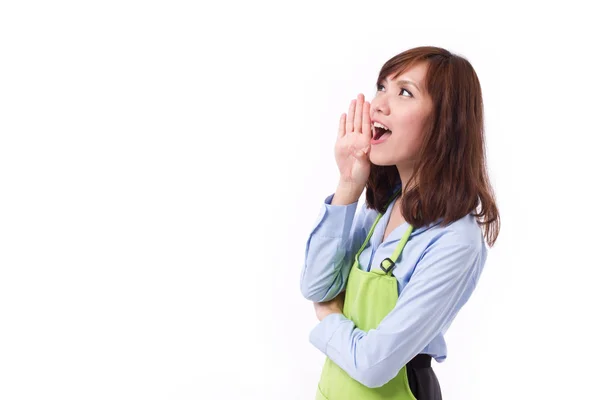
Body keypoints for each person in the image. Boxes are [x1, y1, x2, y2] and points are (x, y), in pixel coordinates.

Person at [299, 46, 500, 400]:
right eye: (381, 87)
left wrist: (330, 317)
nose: (378, 104)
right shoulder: (382, 208)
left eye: (404, 92)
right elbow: (317, 286)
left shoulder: (457, 240)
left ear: (445, 122)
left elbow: (373, 366)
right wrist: (348, 186)